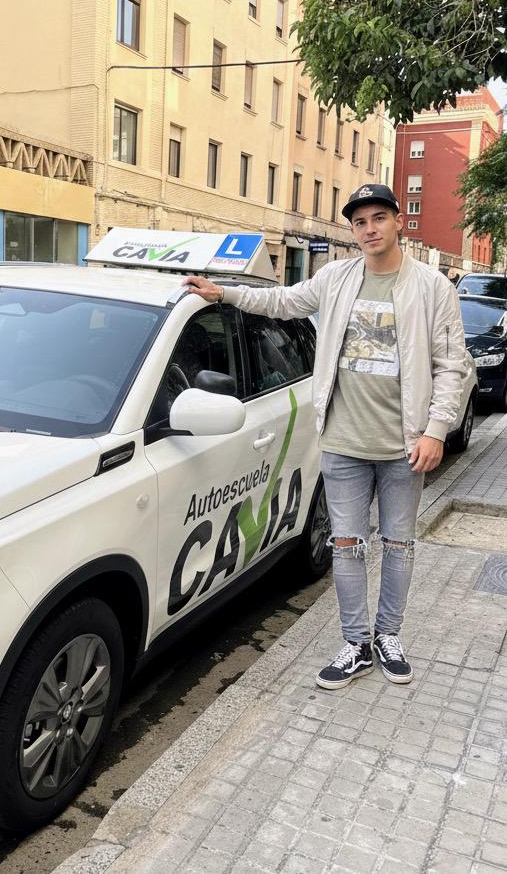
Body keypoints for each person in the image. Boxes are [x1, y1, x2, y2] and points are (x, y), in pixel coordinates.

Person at [184, 184, 467, 689]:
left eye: (379, 218)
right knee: (347, 545)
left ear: (398, 222)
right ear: (353, 231)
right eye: (360, 222)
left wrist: (436, 430)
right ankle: (357, 644)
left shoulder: (431, 287)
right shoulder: (336, 277)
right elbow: (282, 301)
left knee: (399, 545)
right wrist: (223, 293)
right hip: (342, 442)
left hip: (405, 447)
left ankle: (388, 636)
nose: (370, 229)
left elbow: (452, 365)